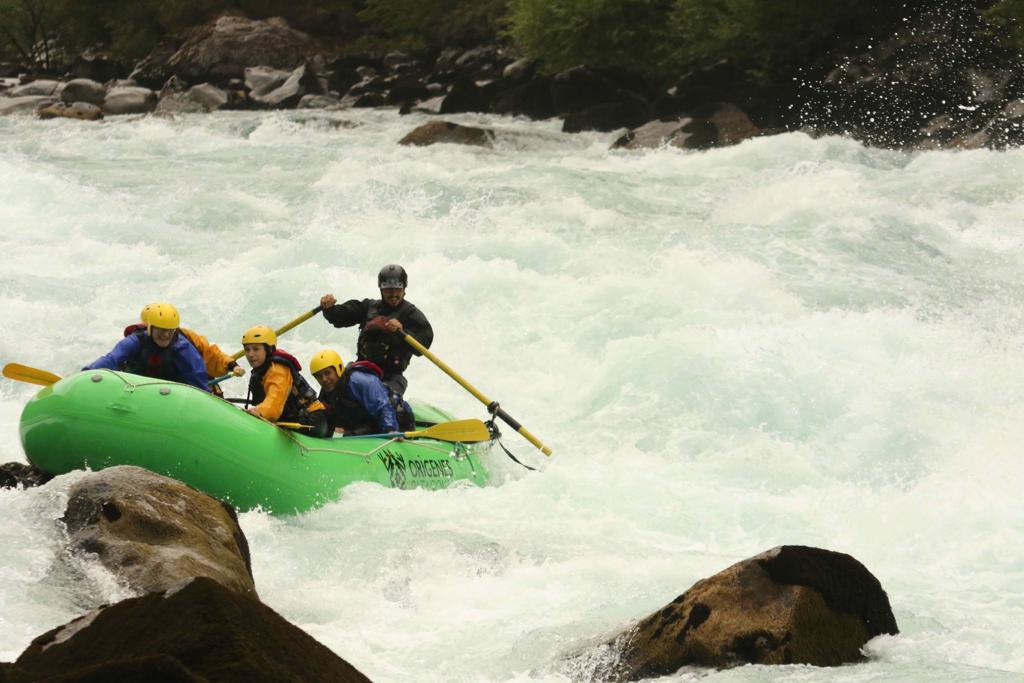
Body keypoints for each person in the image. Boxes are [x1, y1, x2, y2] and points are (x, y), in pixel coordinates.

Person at [320, 264, 433, 397]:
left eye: (397, 289)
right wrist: (329, 309)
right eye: (388, 289)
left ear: (404, 289)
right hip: (361, 369)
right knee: (330, 390)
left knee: (383, 401)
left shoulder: (411, 314)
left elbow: (423, 346)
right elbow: (341, 316)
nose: (393, 294)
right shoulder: (369, 307)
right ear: (381, 289)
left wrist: (402, 333)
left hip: (391, 377)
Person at [85, 303, 216, 391]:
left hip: (170, 393)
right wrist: (85, 375)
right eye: (161, 330)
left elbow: (197, 378)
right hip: (135, 388)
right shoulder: (136, 341)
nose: (166, 335)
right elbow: (111, 360)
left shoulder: (181, 347)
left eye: (170, 330)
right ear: (150, 328)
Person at [123, 303, 246, 391]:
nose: (165, 334)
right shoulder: (137, 341)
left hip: (192, 387)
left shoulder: (185, 340)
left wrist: (232, 365)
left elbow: (211, 353)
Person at [241, 325, 330, 437]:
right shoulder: (262, 370)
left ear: (268, 349)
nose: (250, 354)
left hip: (312, 421)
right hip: (294, 418)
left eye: (256, 349)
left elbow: (275, 401)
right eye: (247, 350)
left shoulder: (278, 370)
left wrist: (260, 411)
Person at [310, 344, 414, 436]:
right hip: (366, 425)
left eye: (327, 373)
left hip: (397, 421)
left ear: (339, 368)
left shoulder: (359, 380)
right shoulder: (327, 391)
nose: (324, 379)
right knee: (338, 432)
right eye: (319, 376)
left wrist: (390, 430)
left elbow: (383, 407)